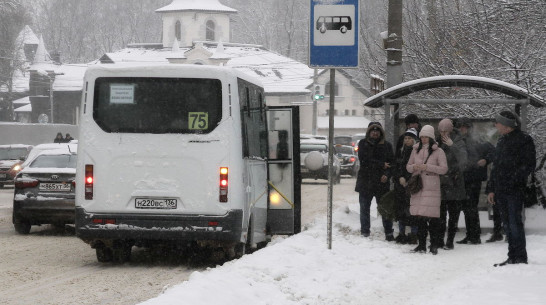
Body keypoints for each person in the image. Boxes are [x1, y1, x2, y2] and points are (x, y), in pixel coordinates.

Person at [487, 110, 535, 266]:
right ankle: (512, 255)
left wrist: (512, 180)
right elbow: (495, 167)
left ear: (507, 125)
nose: (496, 125)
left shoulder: (524, 140)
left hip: (514, 190)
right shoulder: (502, 141)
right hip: (501, 190)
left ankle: (520, 256)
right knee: (507, 224)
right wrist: (491, 188)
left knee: (515, 223)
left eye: (498, 122)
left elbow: (528, 165)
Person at [406, 125, 448, 254]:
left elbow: (444, 169)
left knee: (433, 219)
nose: (423, 139)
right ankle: (422, 245)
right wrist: (414, 167)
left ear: (431, 137)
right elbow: (407, 166)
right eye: (422, 137)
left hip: (431, 188)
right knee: (420, 219)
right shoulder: (415, 149)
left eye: (426, 137)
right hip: (418, 187)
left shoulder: (438, 151)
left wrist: (428, 167)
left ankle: (434, 245)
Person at [457, 118, 495, 244]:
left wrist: (485, 160)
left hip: (474, 178)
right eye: (460, 127)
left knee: (471, 207)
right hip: (464, 178)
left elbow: (493, 152)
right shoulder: (460, 140)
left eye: (464, 127)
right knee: (467, 208)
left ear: (469, 128)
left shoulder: (478, 140)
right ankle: (471, 234)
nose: (462, 129)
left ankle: (474, 235)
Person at [355, 122, 395, 240]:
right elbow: (364, 160)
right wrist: (381, 164)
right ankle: (365, 232)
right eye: (373, 130)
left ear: (381, 132)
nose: (375, 133)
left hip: (381, 183)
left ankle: (389, 232)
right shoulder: (363, 143)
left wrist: (387, 175)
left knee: (385, 208)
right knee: (364, 208)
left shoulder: (387, 145)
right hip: (365, 182)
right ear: (368, 132)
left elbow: (392, 163)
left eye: (377, 131)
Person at [437, 119, 468, 249]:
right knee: (440, 215)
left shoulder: (458, 140)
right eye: (441, 131)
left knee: (453, 215)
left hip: (455, 183)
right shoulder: (437, 140)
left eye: (445, 131)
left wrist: (452, 145)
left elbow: (463, 160)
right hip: (441, 183)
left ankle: (450, 241)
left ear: (450, 130)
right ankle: (439, 240)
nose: (443, 133)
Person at [393, 128, 419, 244]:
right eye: (406, 138)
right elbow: (396, 166)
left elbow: (415, 168)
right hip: (400, 185)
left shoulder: (417, 152)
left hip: (412, 185)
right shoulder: (401, 151)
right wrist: (399, 177)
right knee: (401, 210)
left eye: (409, 138)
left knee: (412, 211)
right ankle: (401, 233)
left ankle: (414, 234)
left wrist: (408, 179)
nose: (407, 141)